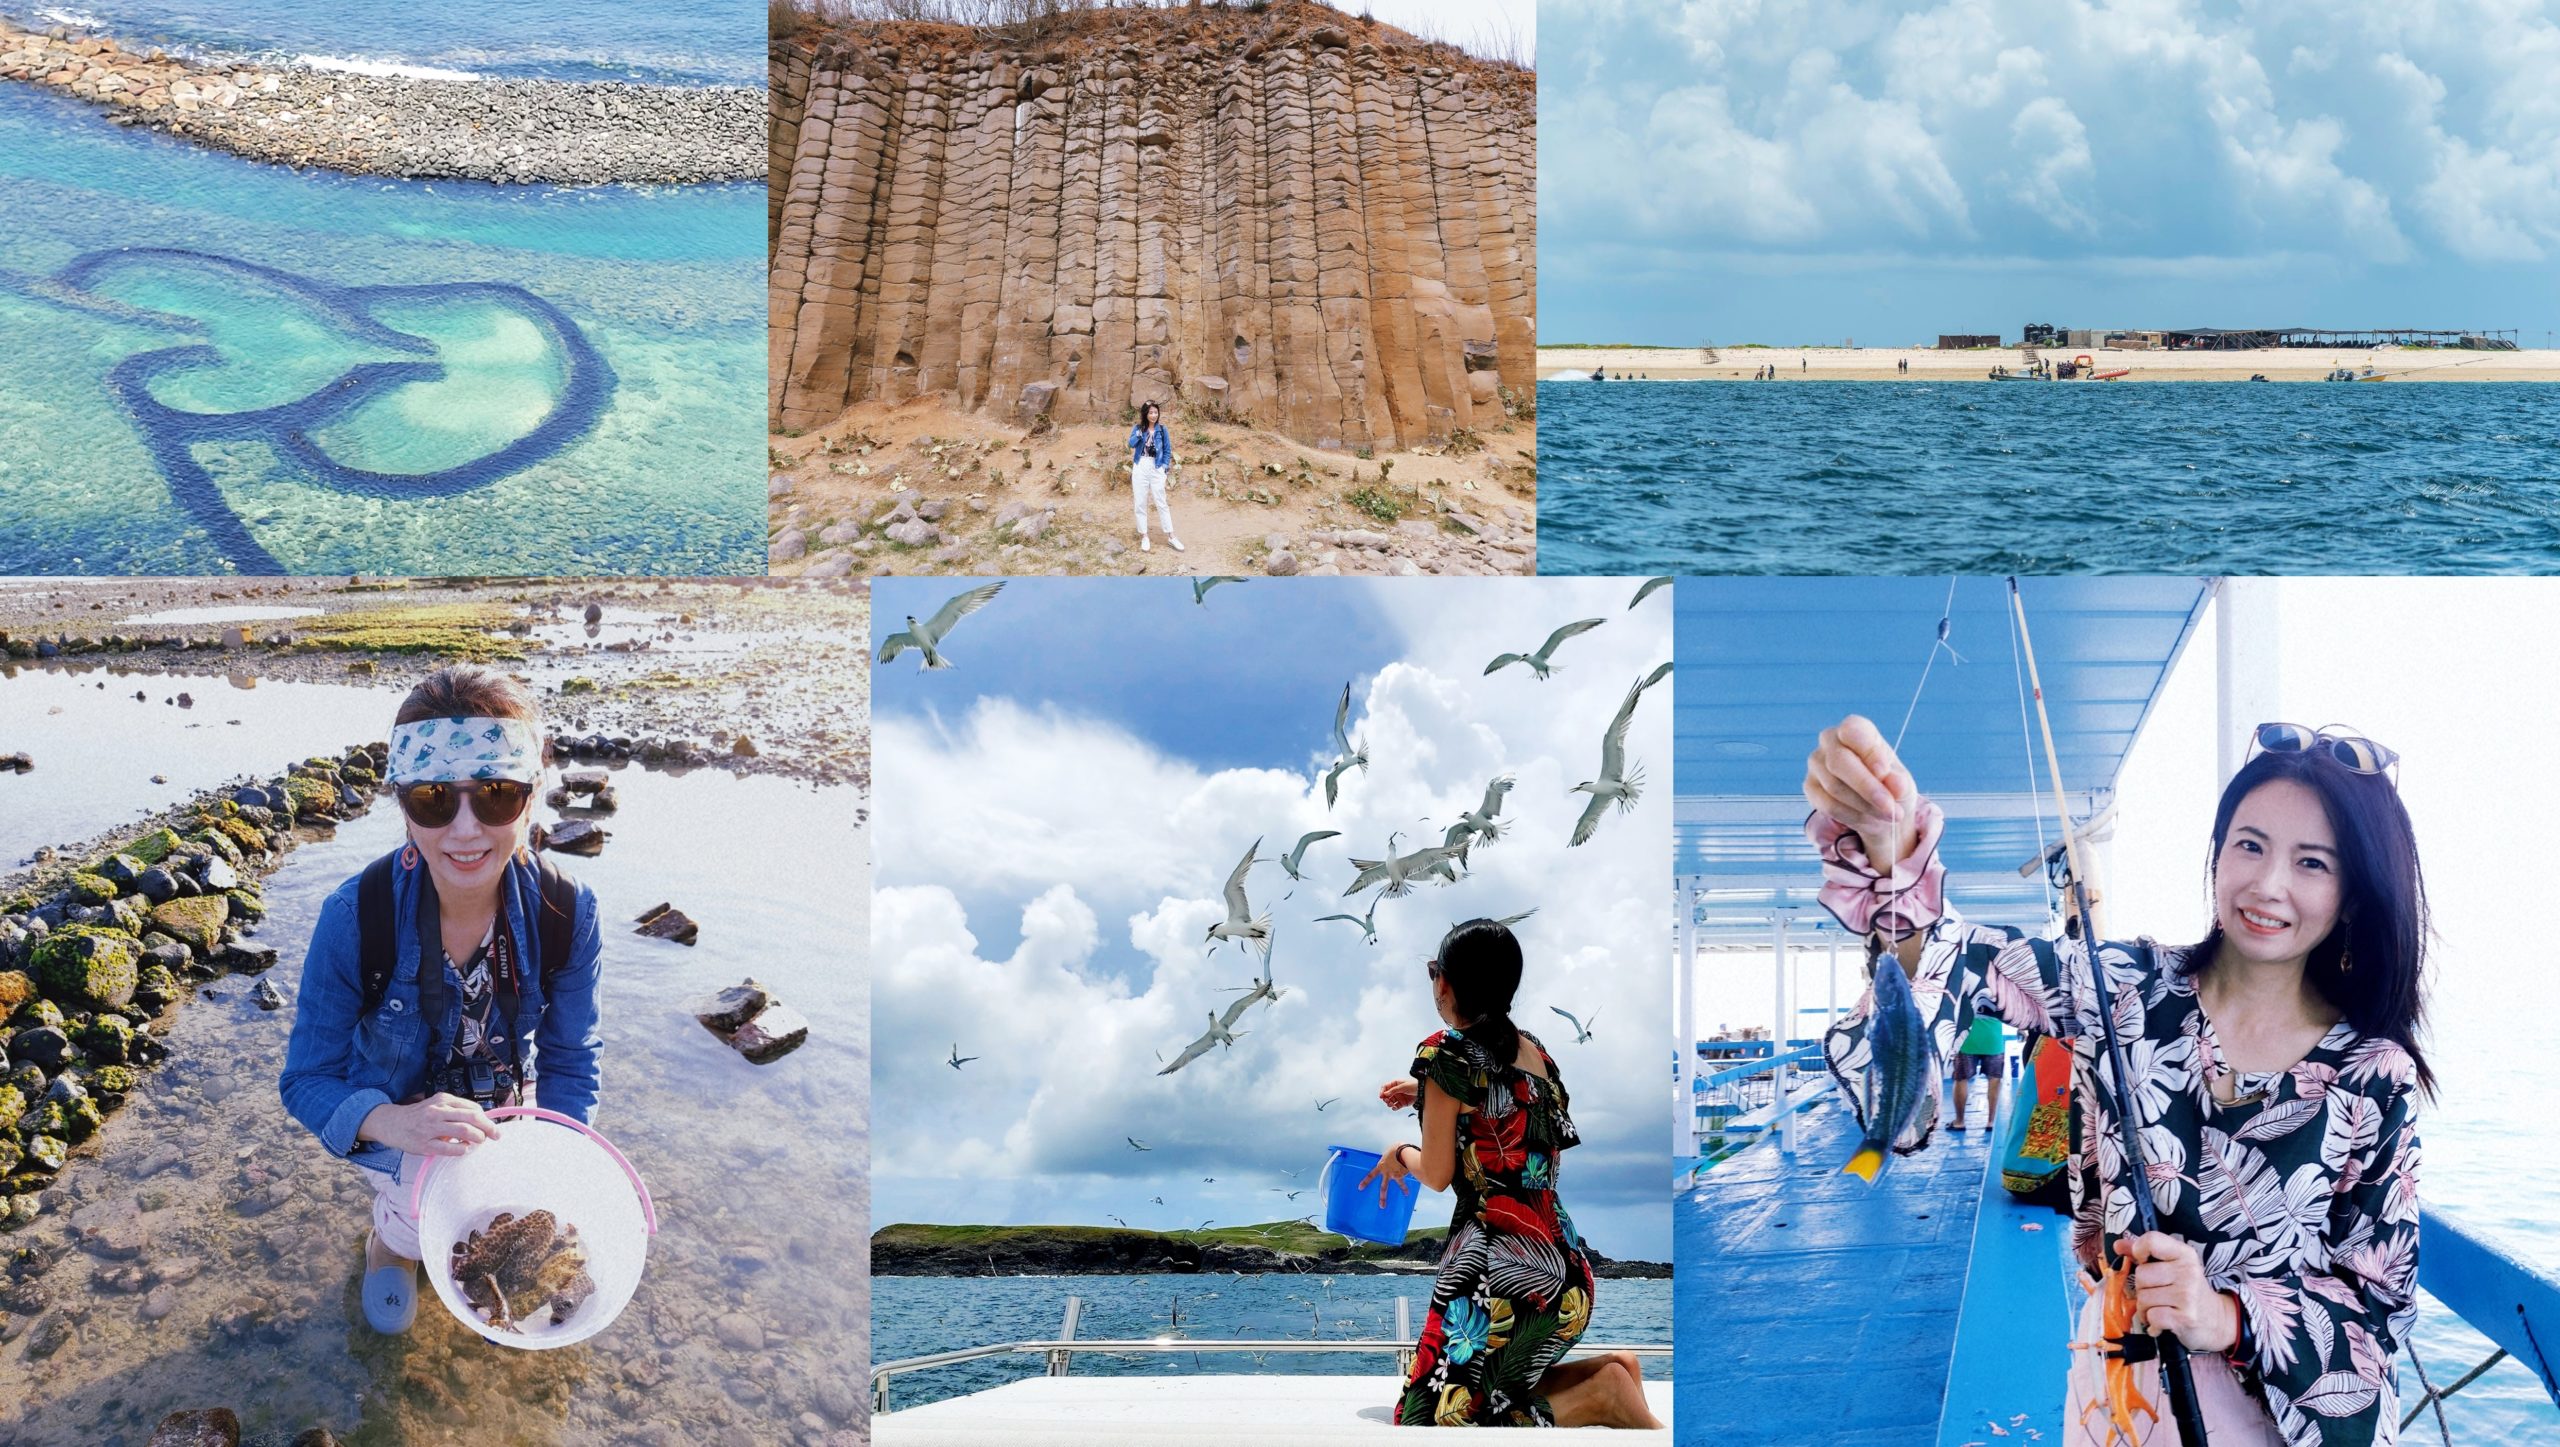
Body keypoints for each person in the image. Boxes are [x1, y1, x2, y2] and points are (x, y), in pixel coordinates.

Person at [1805, 716, 2428, 1445]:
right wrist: (1891, 845)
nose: (2268, 884)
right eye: (2249, 846)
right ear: (2219, 853)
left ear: (2353, 894)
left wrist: (2222, 1313)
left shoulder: (2375, 1075)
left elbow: (2378, 1306)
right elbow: (1965, 960)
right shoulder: (2122, 984)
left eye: (2313, 863)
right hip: (2117, 1393)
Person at [279, 665, 603, 1334]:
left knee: (539, 1228)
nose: (464, 830)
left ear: (533, 796)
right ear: (402, 802)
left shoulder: (567, 911)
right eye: (433, 797)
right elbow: (305, 1080)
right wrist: (394, 1124)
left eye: (495, 794)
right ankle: (391, 1241)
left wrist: (561, 1162)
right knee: (413, 1211)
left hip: (509, 1101)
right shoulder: (354, 916)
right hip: (400, 1121)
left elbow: (571, 1062)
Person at [1363, 919, 1662, 1429]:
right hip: (1564, 1271)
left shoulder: (1444, 1052)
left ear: (1445, 983)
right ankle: (1613, 1370)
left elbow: (1436, 1174)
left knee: (1432, 1418)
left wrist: (1399, 1152)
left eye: (1435, 971)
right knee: (1494, 1392)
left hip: (1495, 1271)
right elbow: (1513, 1112)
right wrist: (1427, 1094)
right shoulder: (1537, 1053)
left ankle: (1604, 1394)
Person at [1125, 400, 1182, 553]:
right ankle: (1144, 536)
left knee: (1161, 501)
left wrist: (1164, 468)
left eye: (1155, 412)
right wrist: (1139, 434)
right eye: (1150, 412)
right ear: (1145, 414)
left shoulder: (1162, 430)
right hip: (1140, 466)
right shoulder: (1138, 429)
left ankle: (1171, 536)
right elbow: (1130, 444)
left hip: (1156, 468)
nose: (1153, 415)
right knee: (1140, 502)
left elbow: (1168, 450)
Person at [1949, 1009, 2004, 1130]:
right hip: (1993, 1036)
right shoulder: (2004, 988)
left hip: (1967, 1036)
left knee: (1961, 1079)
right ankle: (1991, 1122)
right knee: (1994, 1079)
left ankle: (1959, 1121)